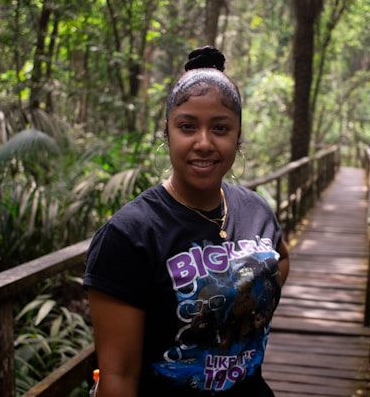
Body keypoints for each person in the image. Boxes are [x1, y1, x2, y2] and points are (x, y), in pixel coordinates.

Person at [83, 46, 290, 397]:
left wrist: (246, 306)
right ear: (168, 132)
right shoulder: (129, 234)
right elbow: (118, 378)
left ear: (238, 134)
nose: (204, 143)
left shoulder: (256, 209)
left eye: (220, 128)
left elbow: (280, 258)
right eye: (187, 127)